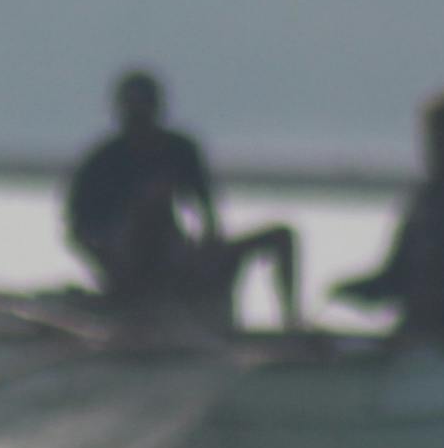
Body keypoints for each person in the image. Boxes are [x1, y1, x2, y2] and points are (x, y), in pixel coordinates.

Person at [63, 69, 301, 327]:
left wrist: (208, 250)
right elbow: (78, 232)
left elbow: (207, 210)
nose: (140, 118)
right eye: (133, 110)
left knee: (281, 235)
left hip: (181, 261)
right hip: (131, 268)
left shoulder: (179, 149)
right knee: (151, 201)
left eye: (145, 108)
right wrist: (114, 269)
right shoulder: (102, 162)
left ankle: (290, 322)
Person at [333, 89, 444, 344]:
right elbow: (394, 275)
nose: (433, 146)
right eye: (431, 137)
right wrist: (352, 290)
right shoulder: (422, 200)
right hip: (409, 334)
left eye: (442, 138)